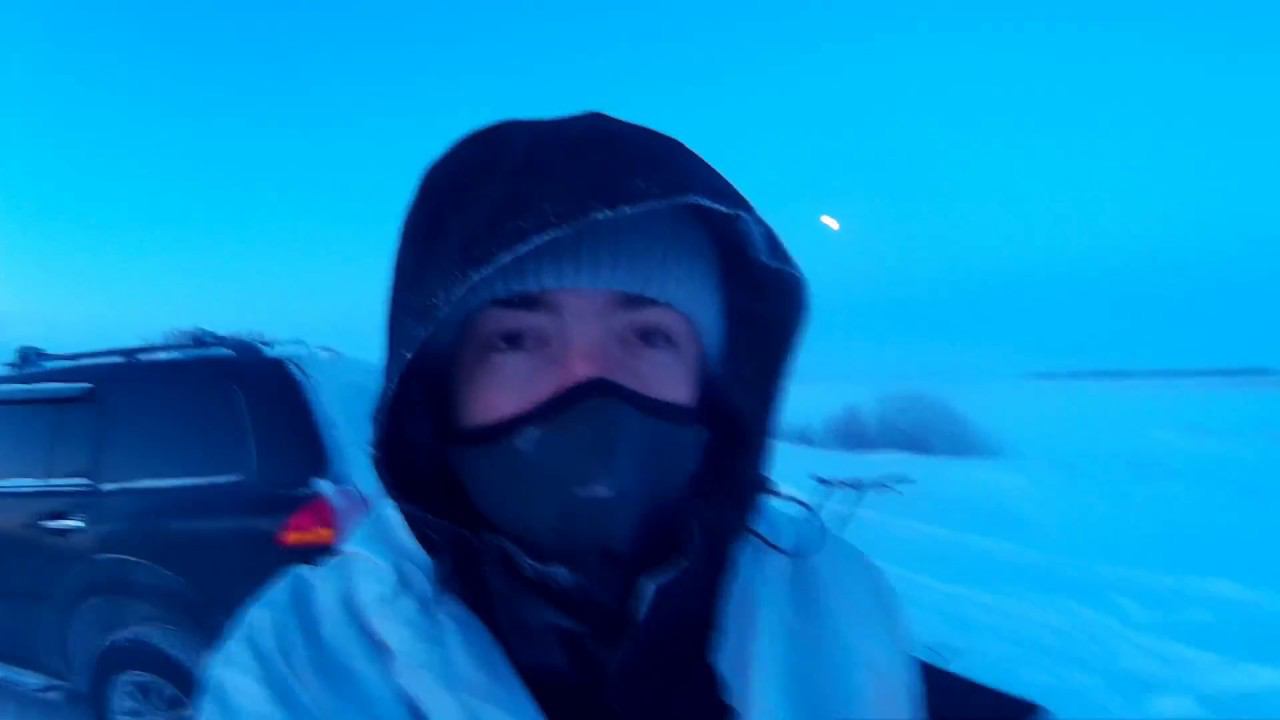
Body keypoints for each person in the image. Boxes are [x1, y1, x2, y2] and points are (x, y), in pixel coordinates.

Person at [196, 112, 925, 719]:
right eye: (517, 340)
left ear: (710, 382)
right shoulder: (303, 663)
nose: (588, 383)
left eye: (648, 336)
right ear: (441, 388)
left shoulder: (830, 604)